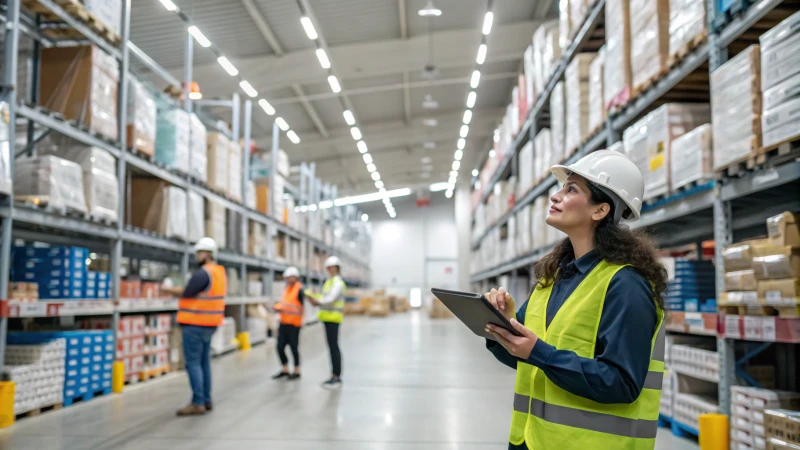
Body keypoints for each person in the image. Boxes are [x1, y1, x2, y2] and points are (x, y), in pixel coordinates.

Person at [483, 150, 668, 450]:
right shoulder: (554, 277)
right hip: (530, 441)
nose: (555, 197)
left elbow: (622, 381)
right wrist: (500, 326)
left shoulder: (625, 285)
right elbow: (525, 360)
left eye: (571, 189)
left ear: (600, 210)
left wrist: (539, 353)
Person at [161, 237, 227, 416]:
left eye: (199, 252)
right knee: (204, 362)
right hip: (210, 324)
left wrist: (167, 290)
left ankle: (198, 402)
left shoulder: (203, 273)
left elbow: (187, 292)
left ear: (207, 254)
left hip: (195, 323)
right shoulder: (219, 272)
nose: (197, 256)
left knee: (193, 363)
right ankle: (206, 400)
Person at [306, 256, 346, 389]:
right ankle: (334, 374)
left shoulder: (338, 282)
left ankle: (336, 376)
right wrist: (314, 298)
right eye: (327, 268)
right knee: (331, 347)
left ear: (336, 268)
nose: (329, 270)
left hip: (334, 318)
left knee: (334, 347)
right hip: (327, 318)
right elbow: (325, 296)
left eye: (331, 267)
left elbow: (331, 298)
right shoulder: (330, 281)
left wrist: (317, 301)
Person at [271, 266, 304, 380]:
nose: (288, 279)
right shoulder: (287, 289)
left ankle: (296, 370)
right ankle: (285, 369)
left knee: (294, 347)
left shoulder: (300, 290)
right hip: (284, 322)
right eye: (287, 277)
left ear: (295, 277)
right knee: (280, 347)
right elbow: (285, 304)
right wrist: (277, 307)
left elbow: (299, 308)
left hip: (294, 324)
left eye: (290, 277)